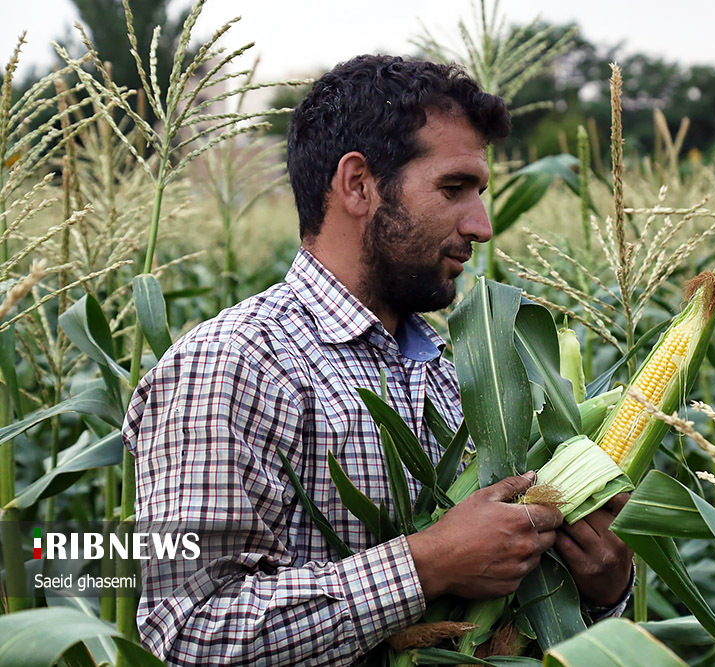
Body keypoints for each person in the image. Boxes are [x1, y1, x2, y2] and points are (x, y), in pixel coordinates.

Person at [122, 55, 632, 666]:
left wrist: (603, 588)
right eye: (453, 188)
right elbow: (186, 634)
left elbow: (510, 616)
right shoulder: (232, 365)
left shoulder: (462, 371)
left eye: (482, 193)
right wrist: (429, 563)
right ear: (359, 185)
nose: (483, 226)